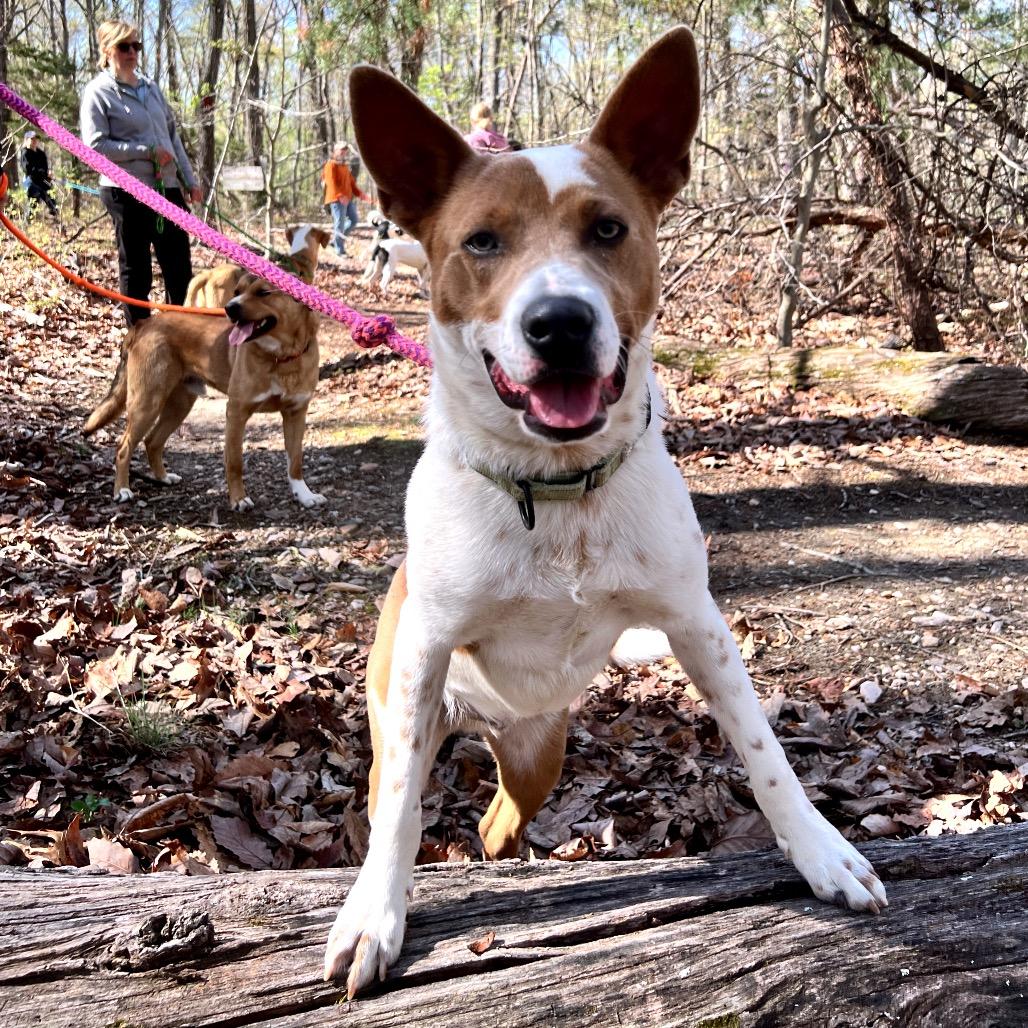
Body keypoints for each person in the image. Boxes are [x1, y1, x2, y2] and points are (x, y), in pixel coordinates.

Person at [80, 20, 202, 326]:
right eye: (124, 46)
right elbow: (94, 146)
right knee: (137, 270)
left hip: (167, 188)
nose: (132, 52)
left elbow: (171, 138)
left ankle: (183, 339)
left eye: (137, 46)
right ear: (107, 51)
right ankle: (140, 345)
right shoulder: (98, 92)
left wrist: (189, 179)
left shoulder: (151, 88)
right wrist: (145, 150)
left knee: (179, 269)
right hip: (126, 190)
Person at [322, 141, 369, 257]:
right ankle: (339, 250)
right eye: (341, 150)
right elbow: (331, 183)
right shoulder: (330, 165)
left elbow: (352, 184)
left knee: (353, 220)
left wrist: (360, 194)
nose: (343, 152)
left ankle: (336, 241)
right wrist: (339, 196)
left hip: (347, 200)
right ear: (335, 151)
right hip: (336, 200)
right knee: (339, 224)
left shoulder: (344, 167)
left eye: (345, 150)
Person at [20, 131, 59, 219]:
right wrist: (41, 172)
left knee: (52, 202)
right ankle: (29, 223)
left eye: (35, 139)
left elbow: (45, 167)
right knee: (33, 205)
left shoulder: (41, 153)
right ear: (26, 140)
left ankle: (57, 222)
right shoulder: (25, 153)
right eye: (32, 139)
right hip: (31, 181)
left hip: (43, 180)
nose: (34, 141)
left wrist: (48, 174)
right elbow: (27, 169)